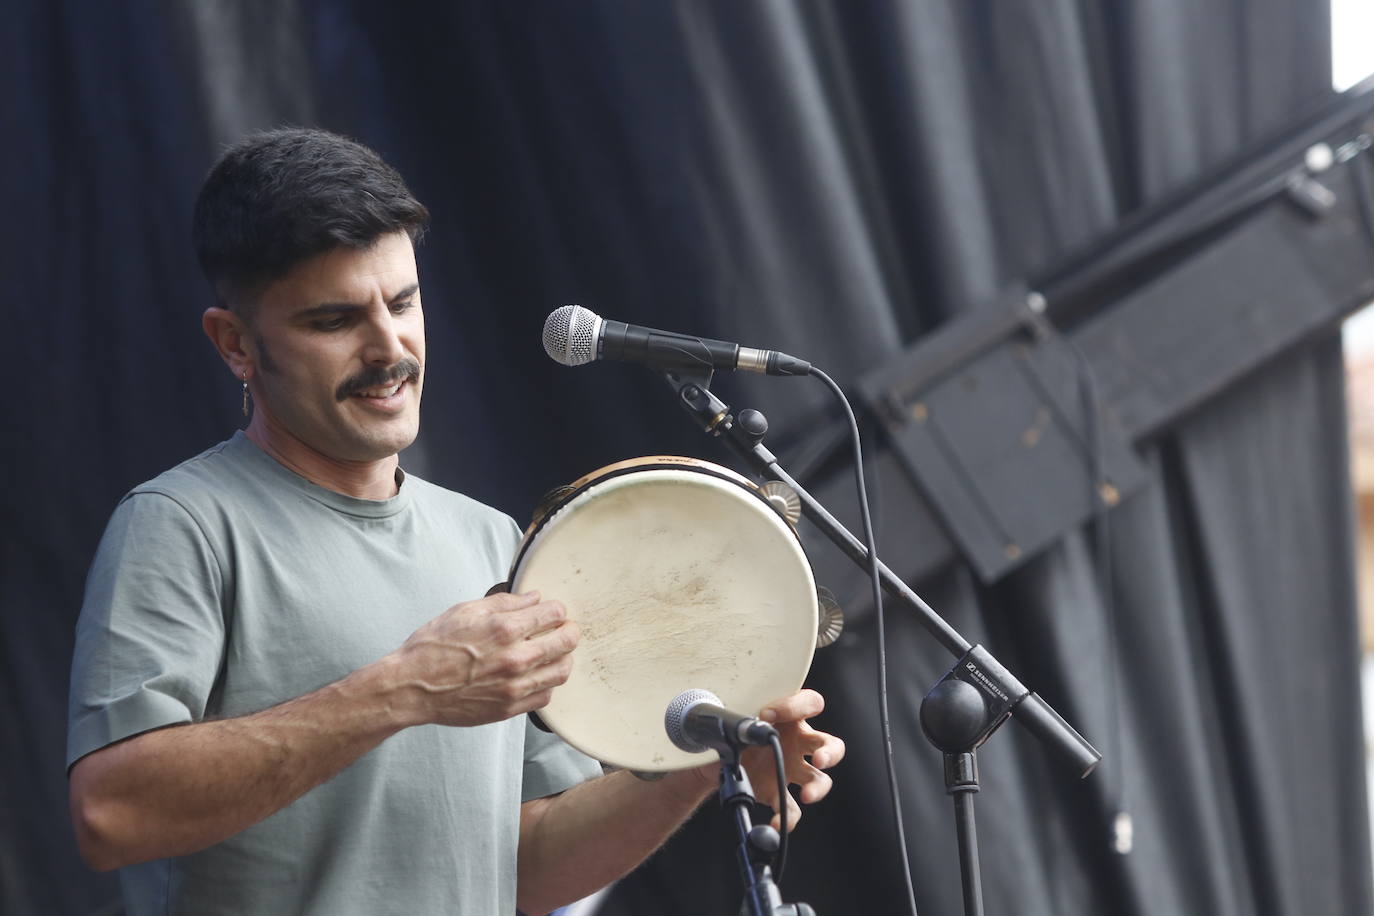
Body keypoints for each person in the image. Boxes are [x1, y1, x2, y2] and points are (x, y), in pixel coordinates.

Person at [66, 127, 844, 915]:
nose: (388, 346)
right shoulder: (179, 524)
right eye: (335, 321)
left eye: (403, 302)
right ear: (235, 343)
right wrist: (404, 688)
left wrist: (706, 771)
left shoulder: (491, 540)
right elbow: (111, 813)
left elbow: (526, 866)